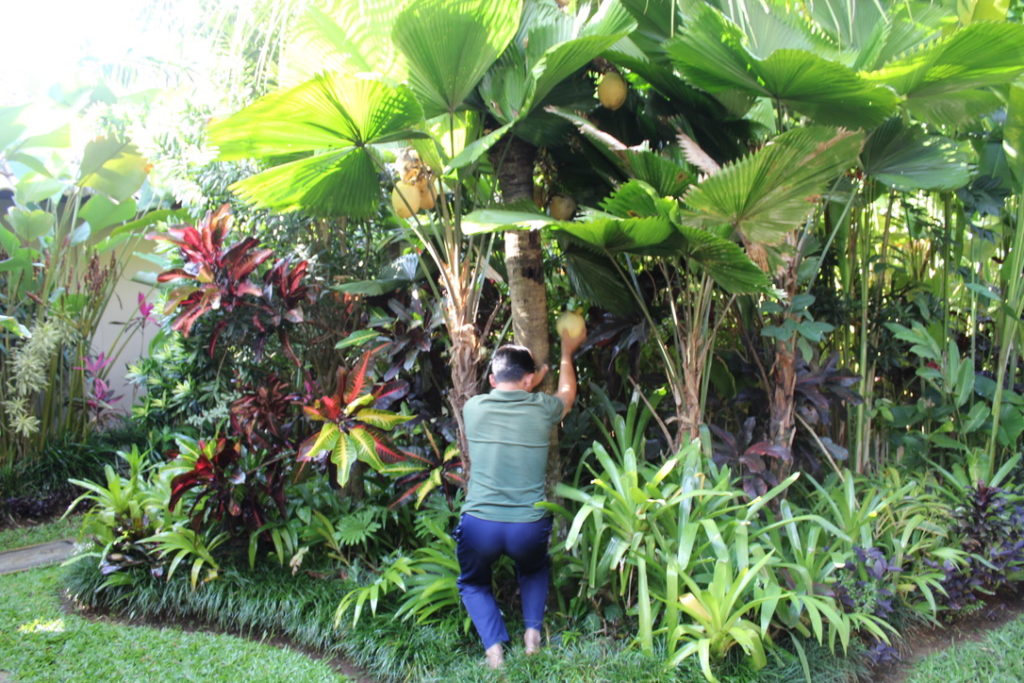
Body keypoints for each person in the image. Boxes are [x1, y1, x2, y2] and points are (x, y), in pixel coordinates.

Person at [455, 321, 585, 669]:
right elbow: (567, 395)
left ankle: (495, 652)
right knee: (533, 570)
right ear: (530, 382)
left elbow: (512, 389)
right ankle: (532, 638)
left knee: (472, 582)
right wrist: (567, 353)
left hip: (480, 524)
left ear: (493, 381)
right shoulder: (542, 409)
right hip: (527, 526)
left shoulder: (474, 408)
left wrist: (529, 379)